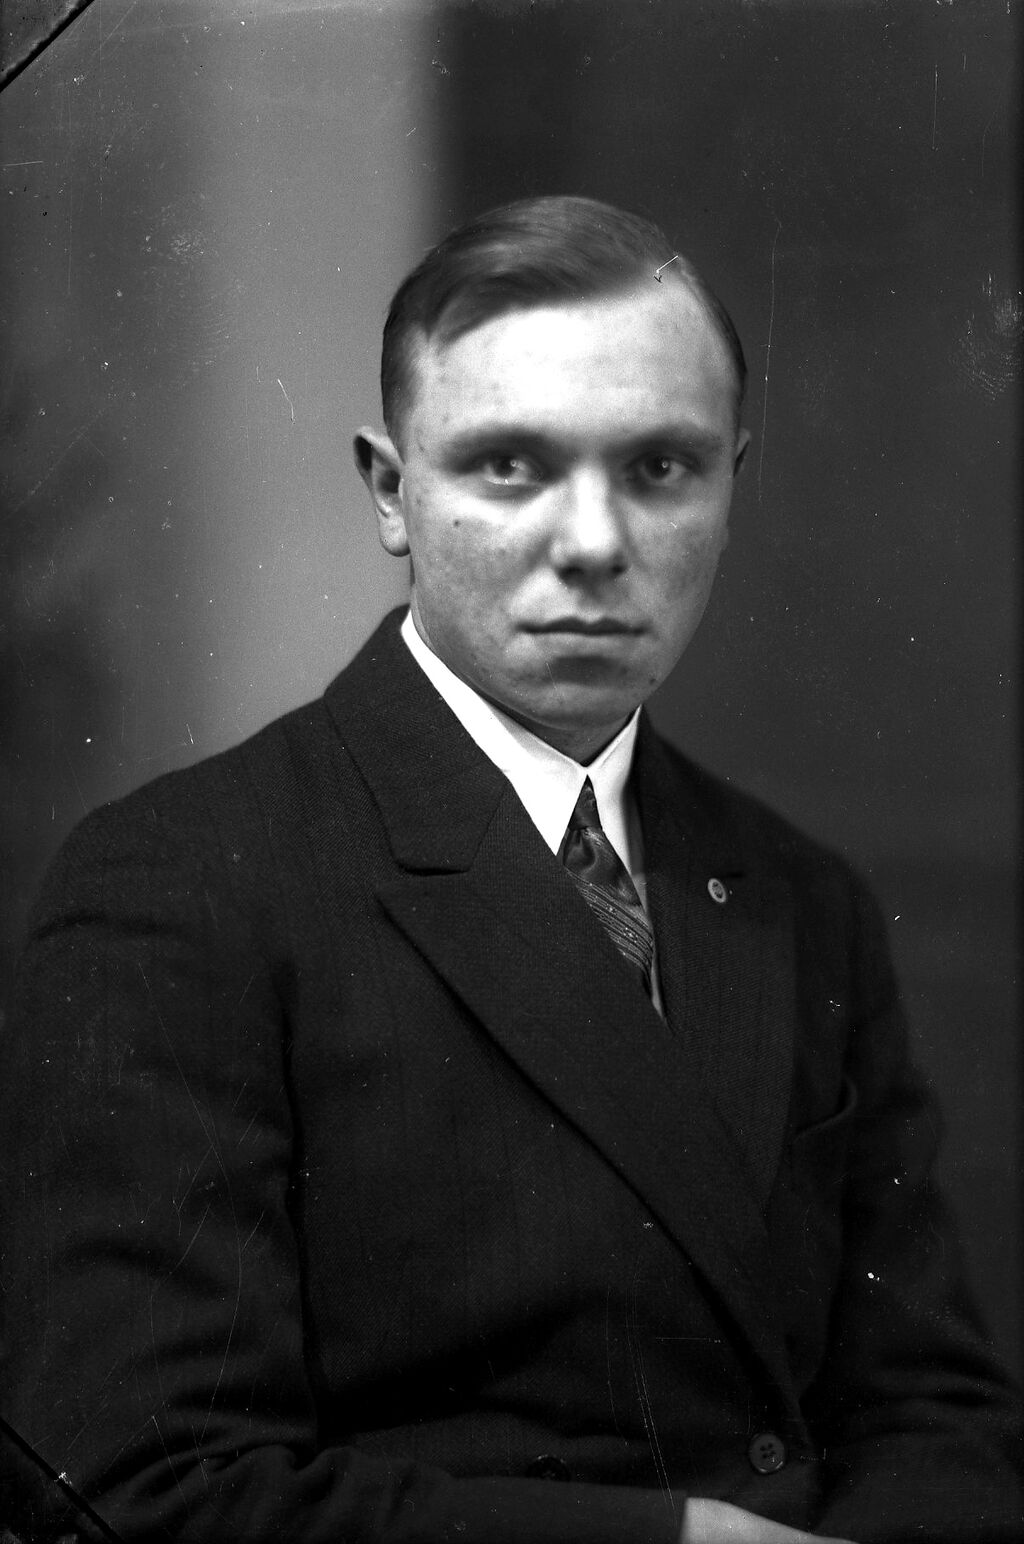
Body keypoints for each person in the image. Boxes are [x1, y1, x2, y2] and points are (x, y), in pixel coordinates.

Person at [0, 196, 1019, 1544]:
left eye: (660, 467)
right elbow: (136, 1490)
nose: (593, 542)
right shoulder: (181, 887)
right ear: (391, 493)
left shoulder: (801, 897)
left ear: (731, 485)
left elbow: (934, 1415)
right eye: (509, 467)